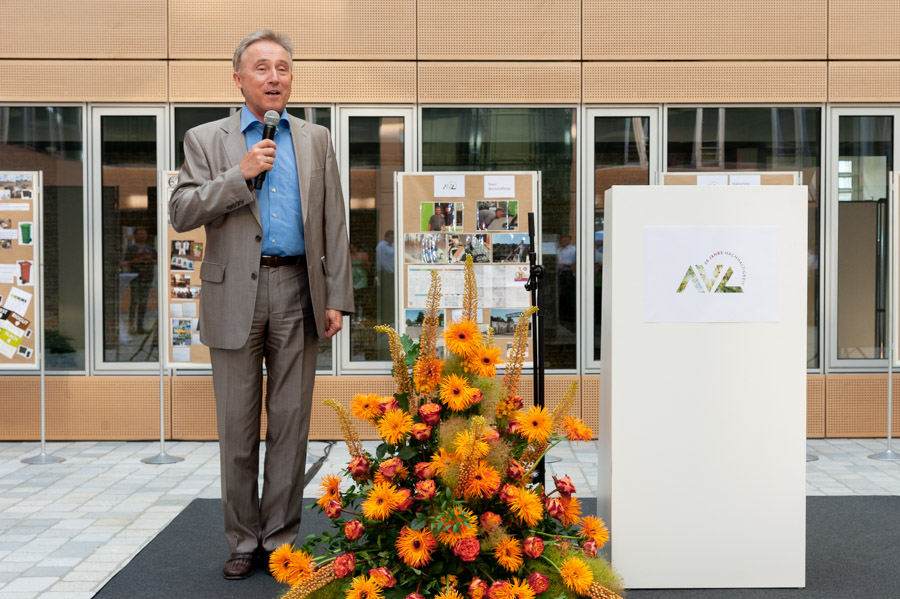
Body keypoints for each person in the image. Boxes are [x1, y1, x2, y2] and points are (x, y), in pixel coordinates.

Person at [169, 29, 353, 580]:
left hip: (299, 291)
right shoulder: (206, 138)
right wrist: (239, 175)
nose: (275, 77)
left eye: (283, 68)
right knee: (238, 425)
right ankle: (242, 538)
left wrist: (337, 296)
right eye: (263, 68)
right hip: (233, 296)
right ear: (239, 78)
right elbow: (181, 210)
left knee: (293, 423)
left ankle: (280, 538)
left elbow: (335, 223)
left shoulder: (316, 139)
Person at [122, 227, 157, 335]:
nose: (142, 236)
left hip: (147, 277)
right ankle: (131, 327)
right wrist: (136, 260)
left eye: (143, 234)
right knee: (134, 301)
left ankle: (140, 327)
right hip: (135, 278)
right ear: (135, 236)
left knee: (143, 302)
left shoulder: (151, 249)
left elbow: (158, 261)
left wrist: (150, 260)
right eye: (139, 234)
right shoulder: (131, 249)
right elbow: (125, 262)